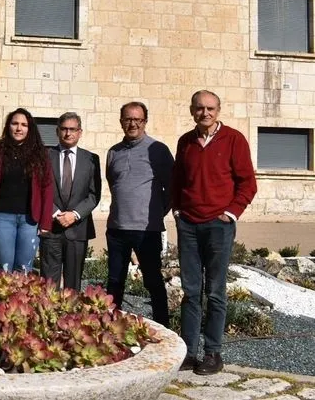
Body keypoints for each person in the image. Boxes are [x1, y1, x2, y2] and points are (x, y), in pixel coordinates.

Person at [171, 90, 257, 375]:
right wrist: (177, 210)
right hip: (189, 225)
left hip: (219, 226)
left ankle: (213, 353)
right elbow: (177, 180)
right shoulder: (185, 141)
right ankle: (188, 352)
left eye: (210, 108)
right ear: (191, 110)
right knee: (190, 292)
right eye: (199, 108)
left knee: (216, 292)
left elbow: (247, 183)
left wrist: (230, 213)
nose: (204, 113)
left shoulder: (234, 139)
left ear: (218, 110)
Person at [105, 101, 174, 327]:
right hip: (117, 229)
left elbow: (171, 189)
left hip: (147, 230)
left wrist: (154, 213)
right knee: (115, 282)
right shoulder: (113, 152)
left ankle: (164, 328)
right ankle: (113, 330)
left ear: (145, 121)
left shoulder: (158, 150)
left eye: (138, 119)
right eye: (128, 119)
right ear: (121, 121)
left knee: (153, 282)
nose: (132, 123)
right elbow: (112, 182)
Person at [0, 108, 54, 274]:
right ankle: (2, 301)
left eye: (24, 125)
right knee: (4, 269)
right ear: (8, 126)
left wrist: (46, 221)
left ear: (30, 128)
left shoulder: (40, 154)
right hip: (2, 218)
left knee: (24, 269)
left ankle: (20, 301)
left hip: (30, 220)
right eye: (15, 123)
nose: (19, 128)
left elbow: (47, 188)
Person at [40, 112, 102, 291]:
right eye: (64, 129)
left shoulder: (91, 159)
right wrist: (56, 213)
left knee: (73, 285)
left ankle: (69, 318)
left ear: (80, 132)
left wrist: (74, 215)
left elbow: (93, 195)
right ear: (57, 131)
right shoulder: (45, 155)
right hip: (51, 228)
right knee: (48, 285)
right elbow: (40, 190)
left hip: (78, 230)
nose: (68, 133)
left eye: (72, 129)